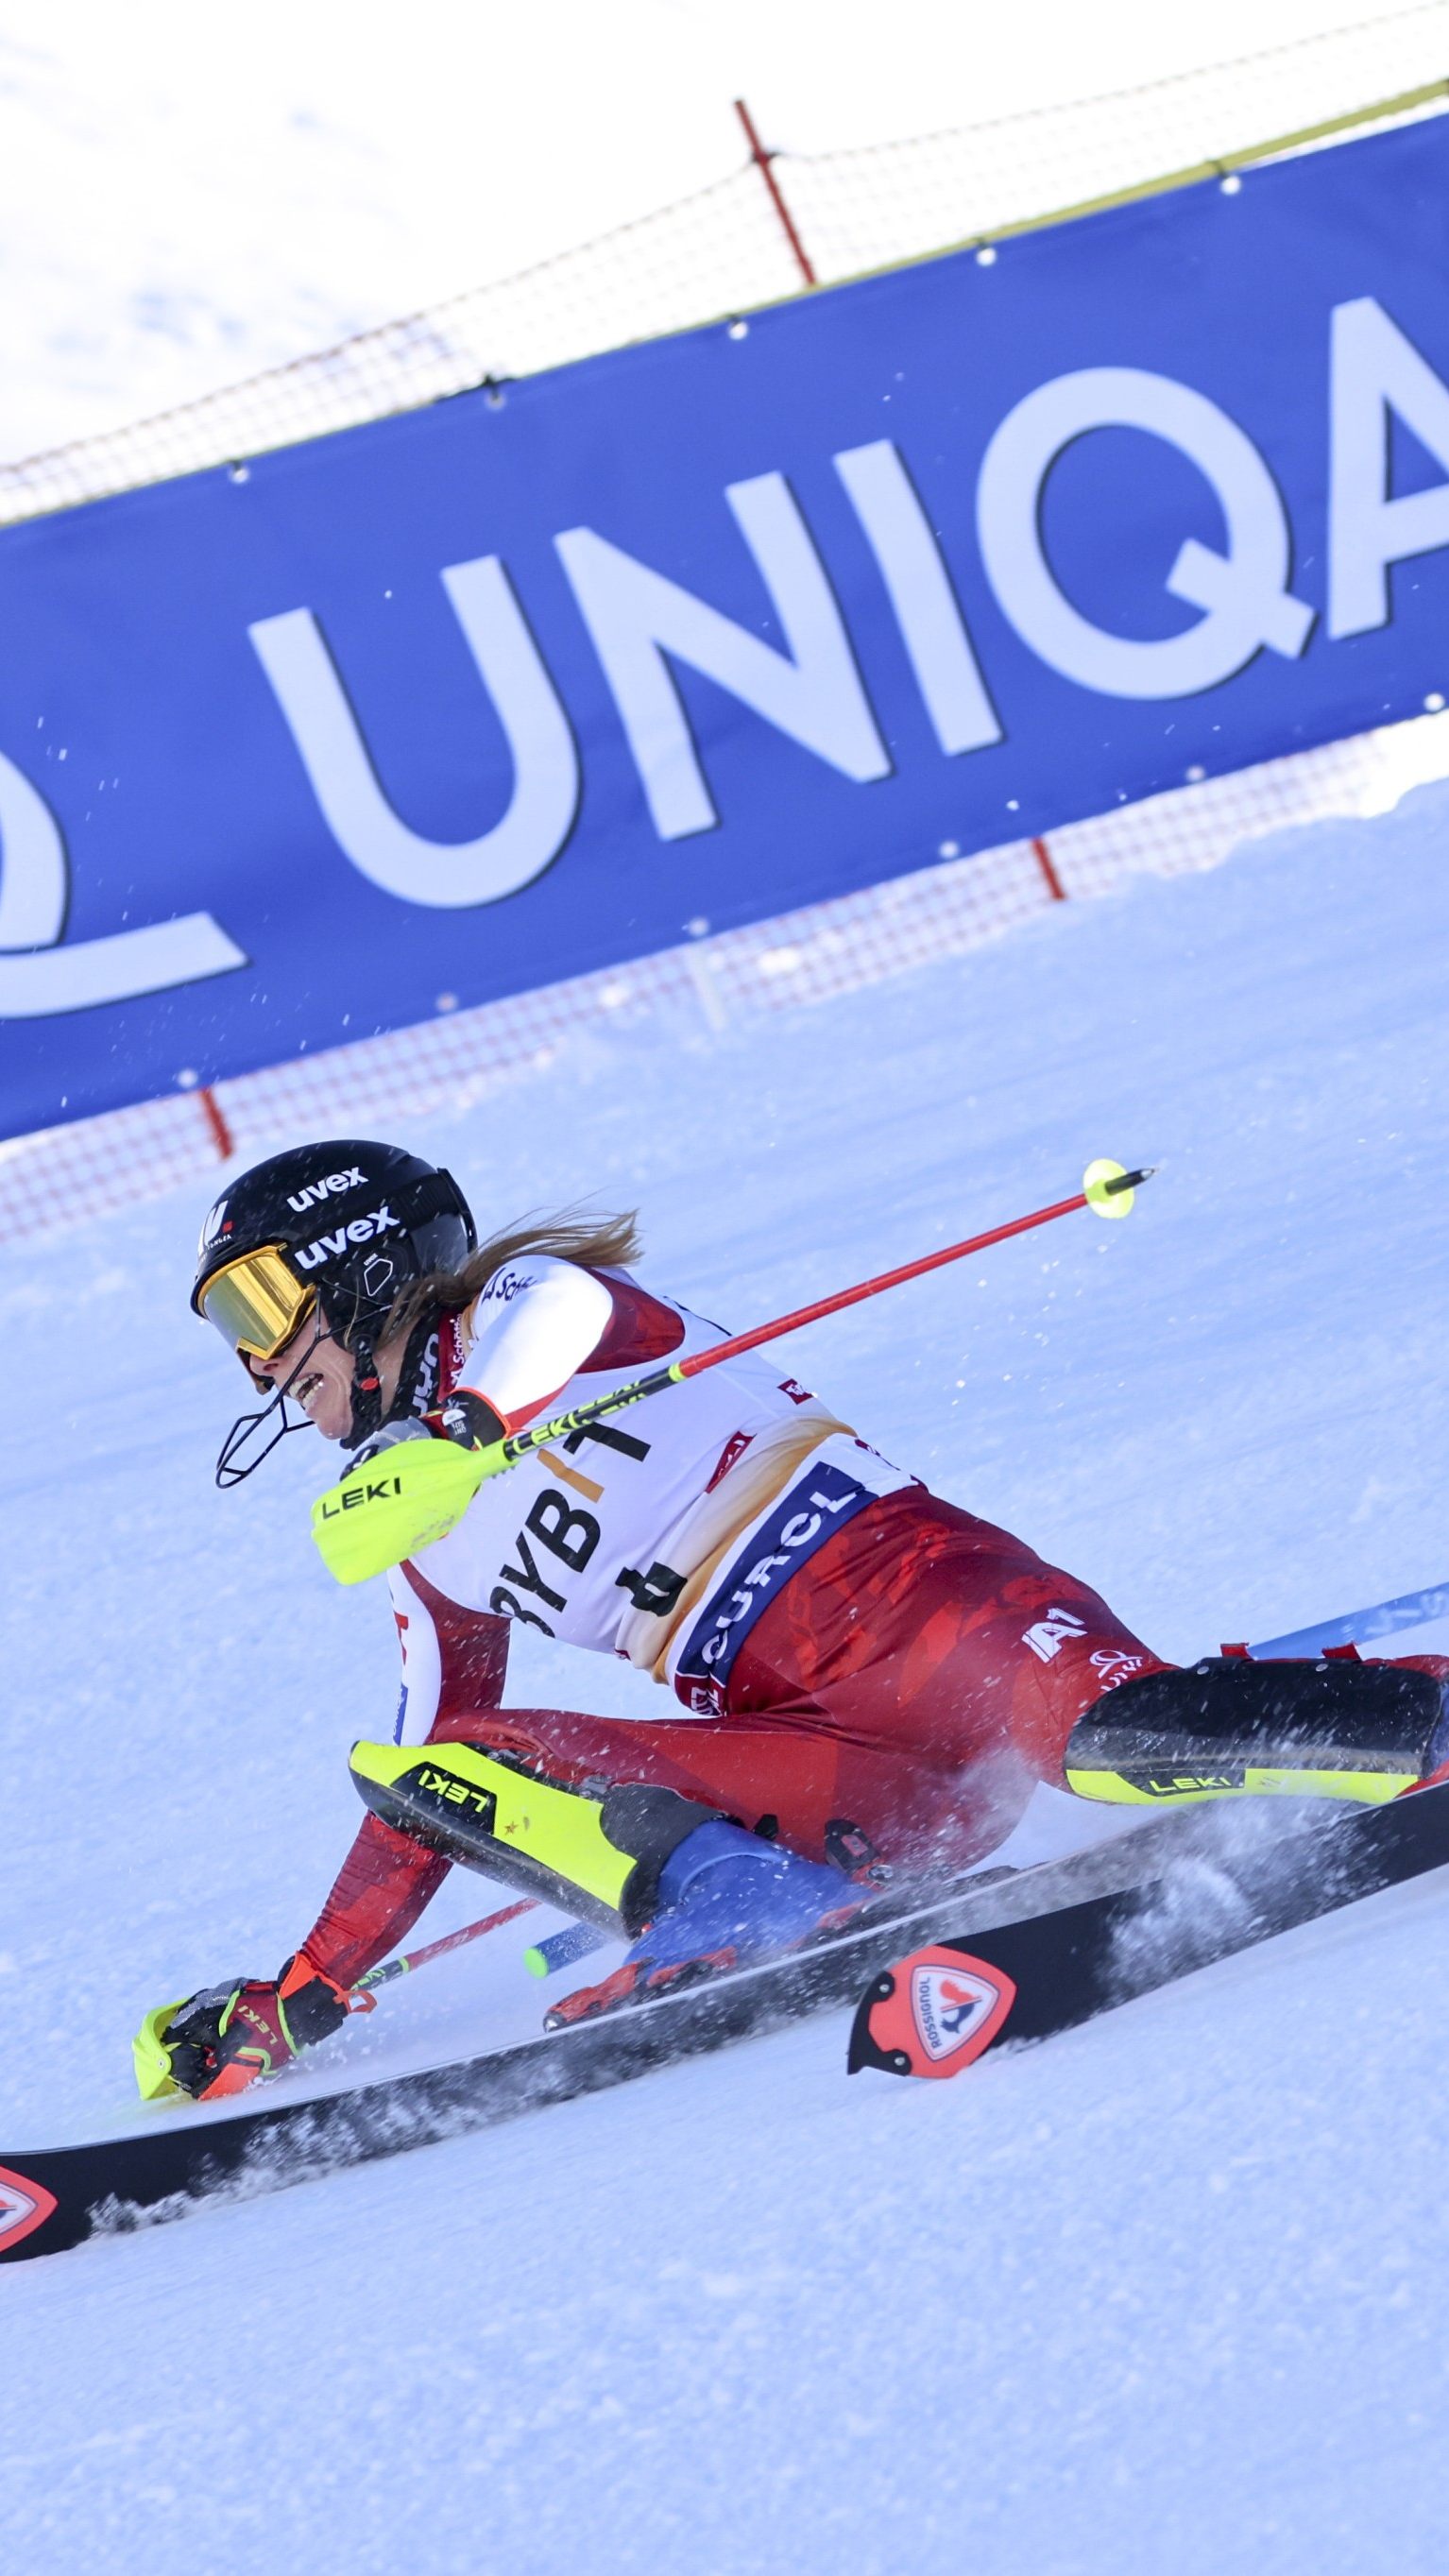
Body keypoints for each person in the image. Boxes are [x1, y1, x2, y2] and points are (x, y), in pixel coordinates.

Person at [139, 1138, 1449, 2102]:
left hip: (930, 1615)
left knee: (1117, 1742)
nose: (257, 1361)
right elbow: (432, 1771)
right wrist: (300, 1995)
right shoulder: (414, 1529)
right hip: (840, 1771)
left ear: (362, 1266)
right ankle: (747, 1896)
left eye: (260, 1306)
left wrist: (468, 1431)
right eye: (229, 1328)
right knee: (434, 1766)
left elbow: (568, 1310)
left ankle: (1419, 1714)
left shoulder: (522, 1307)